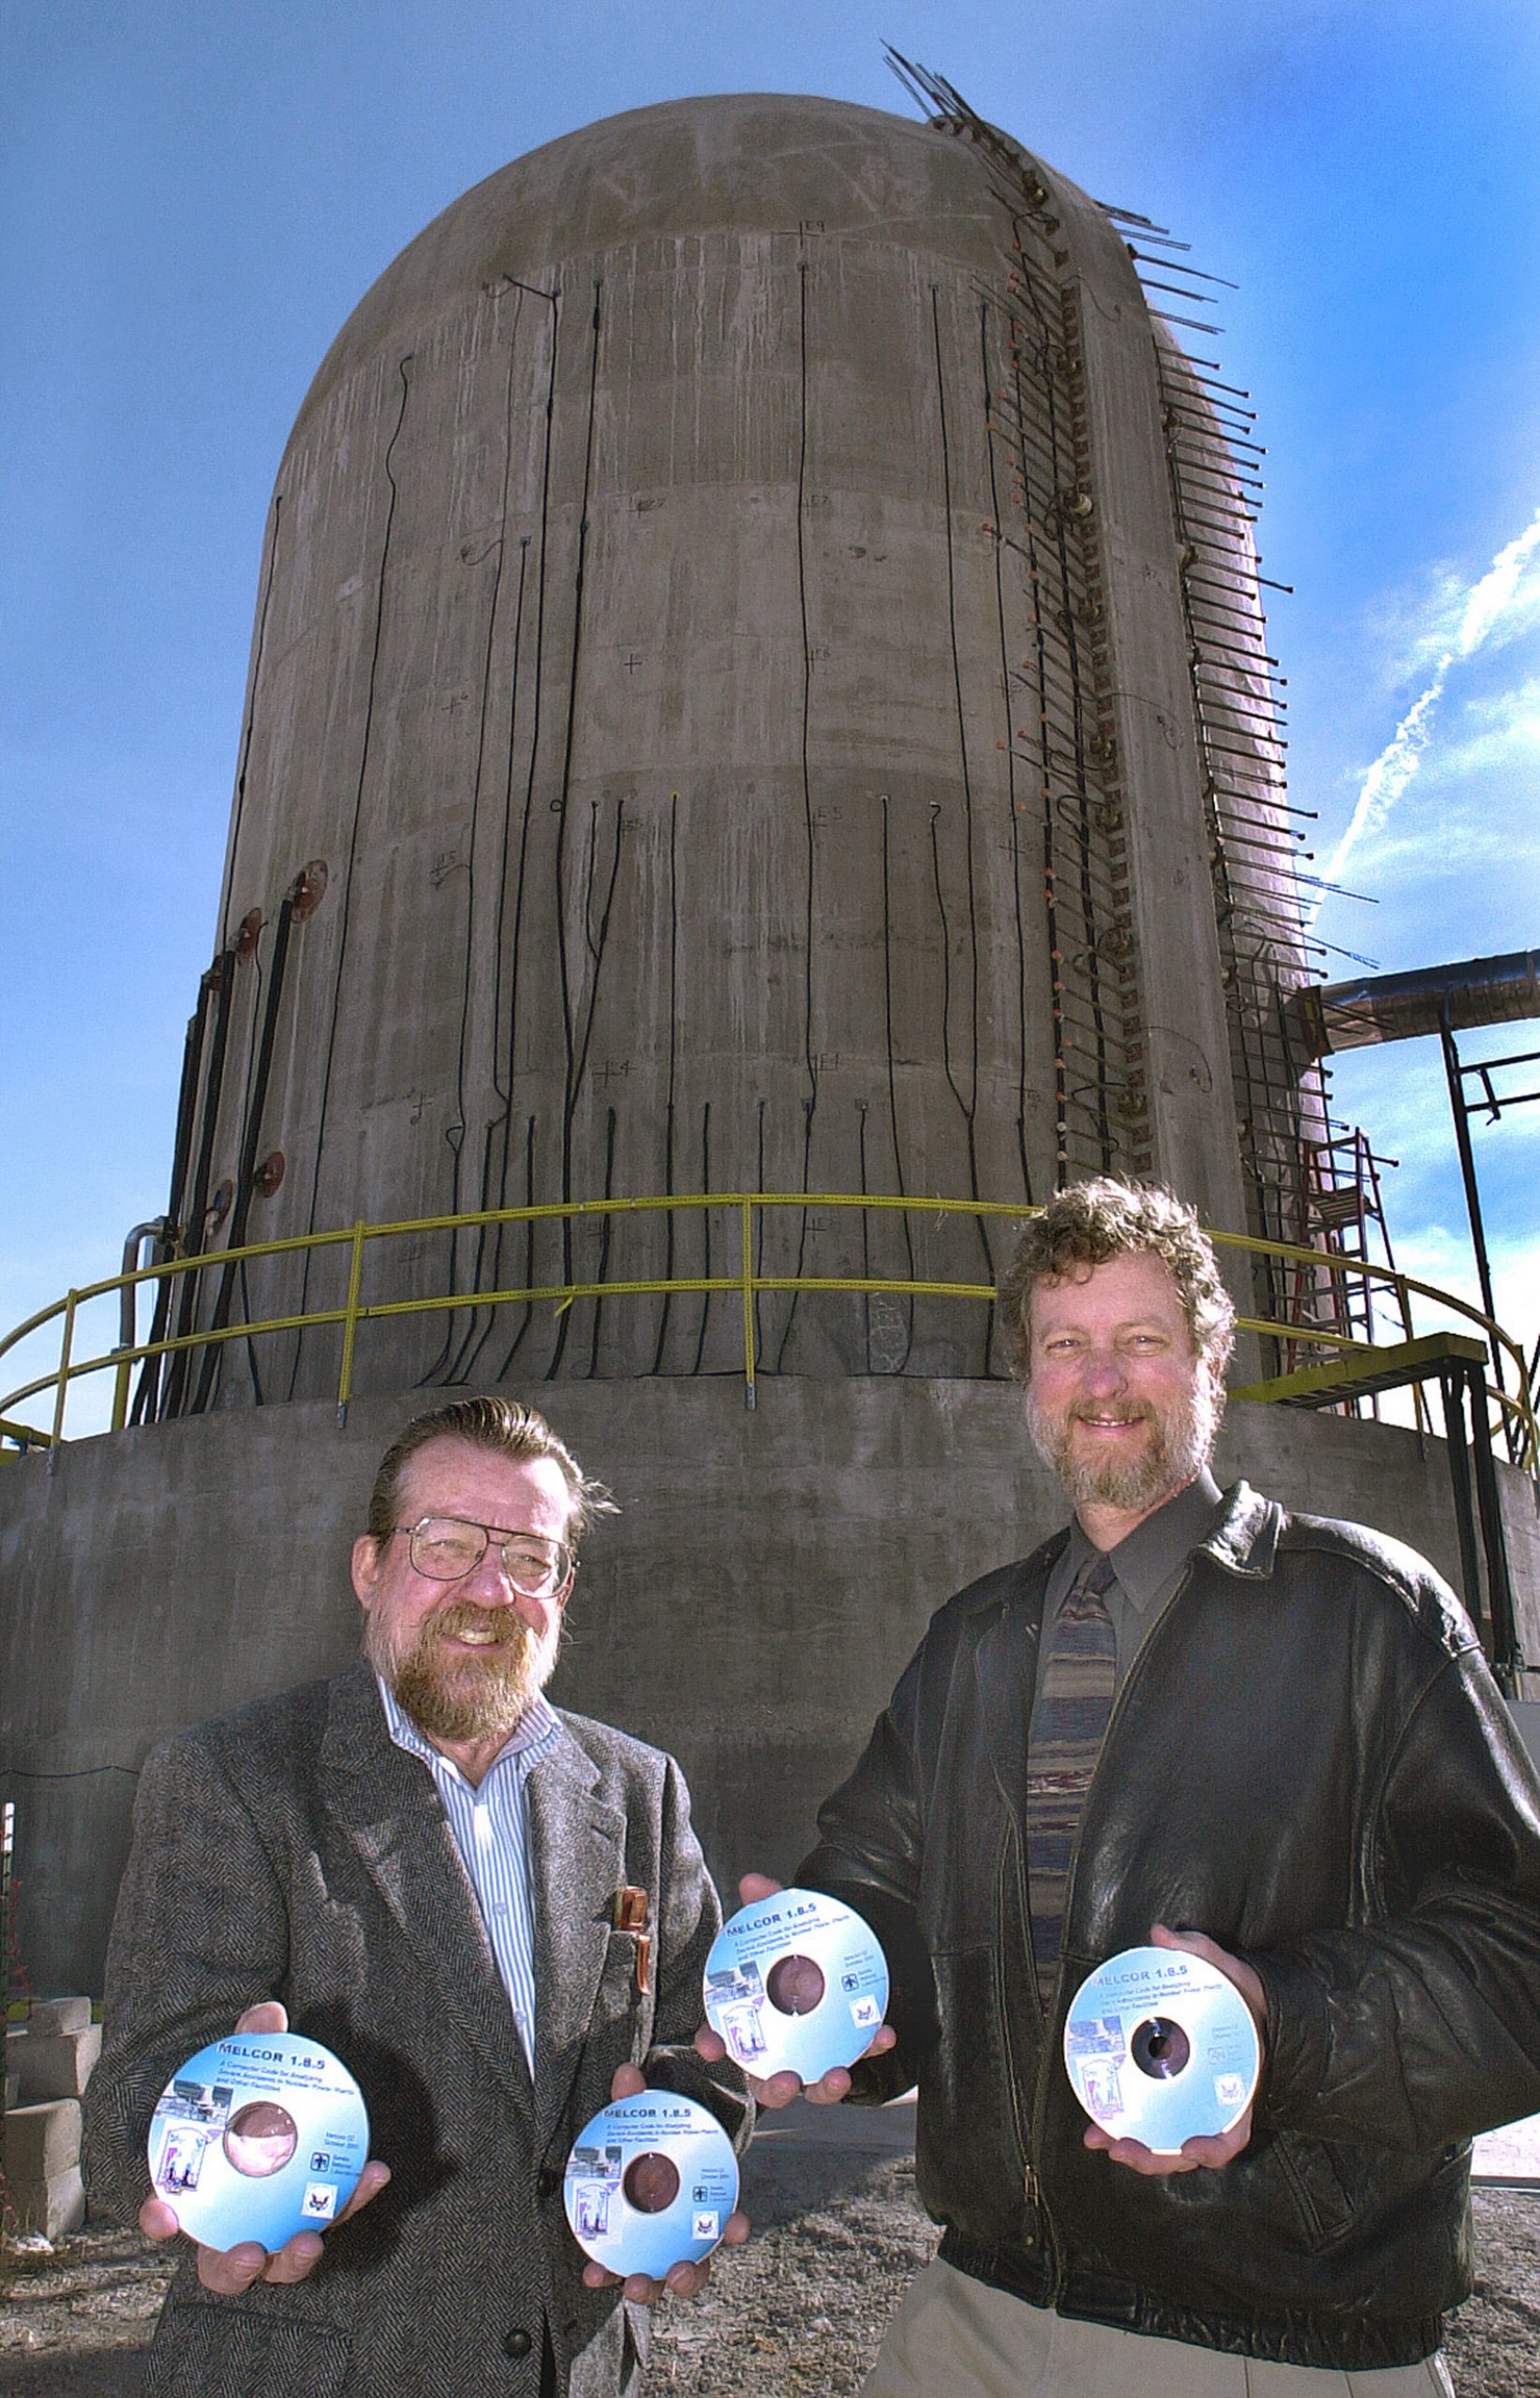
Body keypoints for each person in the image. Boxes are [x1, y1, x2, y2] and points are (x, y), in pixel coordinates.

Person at [709, 1178, 1540, 2394]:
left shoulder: (1364, 1613)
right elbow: (874, 1885)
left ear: (1211, 1361)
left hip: (1276, 2345)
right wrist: (833, 1996)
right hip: (976, 2320)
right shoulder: (974, 1642)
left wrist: (1278, 2030)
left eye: (1140, 1342)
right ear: (1031, 1382)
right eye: (1066, 1347)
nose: (1101, 1381)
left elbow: (1518, 1962)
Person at [85, 1396, 748, 2398]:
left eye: (528, 1557)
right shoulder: (234, 1777)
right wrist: (214, 2163)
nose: (489, 1589)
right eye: (444, 1544)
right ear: (370, 1568)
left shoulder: (637, 1788)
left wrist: (669, 2164)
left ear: (562, 1587)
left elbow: (707, 2040)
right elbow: (134, 2093)